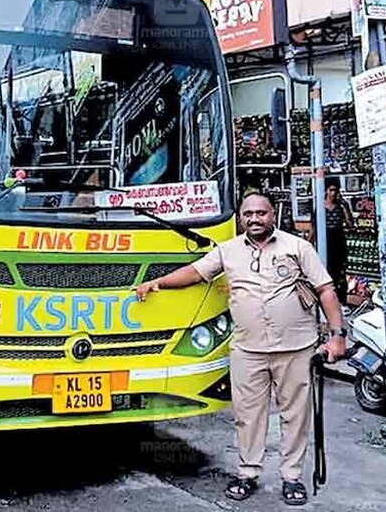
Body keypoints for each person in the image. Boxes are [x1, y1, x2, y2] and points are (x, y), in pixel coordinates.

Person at [133, 192, 347, 507]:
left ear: (273, 214)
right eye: (248, 214)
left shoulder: (298, 247)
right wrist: (159, 283)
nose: (255, 219)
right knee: (248, 416)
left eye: (261, 213)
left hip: (296, 347)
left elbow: (325, 289)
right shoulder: (228, 250)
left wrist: (337, 335)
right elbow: (195, 273)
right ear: (241, 217)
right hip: (248, 349)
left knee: (295, 415)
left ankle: (291, 477)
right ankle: (247, 473)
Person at [324, 179, 354, 303]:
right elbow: (313, 227)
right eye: (331, 190)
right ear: (326, 191)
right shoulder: (319, 206)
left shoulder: (341, 206)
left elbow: (350, 224)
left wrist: (345, 206)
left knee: (340, 272)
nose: (333, 193)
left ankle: (341, 299)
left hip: (338, 239)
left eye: (335, 191)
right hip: (326, 239)